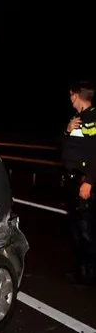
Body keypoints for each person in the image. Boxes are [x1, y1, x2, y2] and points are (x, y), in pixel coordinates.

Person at [60, 80, 96, 284]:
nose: (69, 99)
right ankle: (80, 269)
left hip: (84, 182)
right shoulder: (78, 119)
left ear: (75, 95)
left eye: (70, 95)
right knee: (76, 227)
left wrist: (89, 182)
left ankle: (89, 273)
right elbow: (64, 145)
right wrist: (66, 130)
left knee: (86, 229)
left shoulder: (93, 118)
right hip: (72, 181)